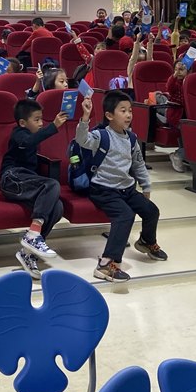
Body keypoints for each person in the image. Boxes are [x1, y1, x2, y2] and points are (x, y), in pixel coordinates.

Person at [76, 91, 166, 283]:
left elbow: (138, 164)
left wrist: (146, 186)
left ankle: (146, 241)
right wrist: (85, 117)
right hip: (103, 189)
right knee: (125, 215)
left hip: (127, 189)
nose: (128, 115)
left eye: (130, 111)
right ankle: (106, 264)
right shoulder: (101, 136)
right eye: (123, 111)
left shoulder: (131, 139)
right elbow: (81, 140)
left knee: (151, 211)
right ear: (109, 115)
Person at [0, 99, 68, 278]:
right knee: (51, 184)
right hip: (11, 179)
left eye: (41, 119)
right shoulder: (19, 134)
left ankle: (28, 253)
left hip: (26, 183)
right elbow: (29, 142)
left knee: (58, 207)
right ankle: (33, 233)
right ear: (23, 123)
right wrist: (53, 126)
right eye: (36, 120)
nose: (41, 123)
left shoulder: (29, 134)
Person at [165, 58, 189, 172]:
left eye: (182, 69)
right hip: (175, 116)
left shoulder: (190, 83)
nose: (179, 72)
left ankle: (181, 154)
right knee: (185, 131)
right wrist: (174, 75)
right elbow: (169, 86)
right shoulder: (175, 83)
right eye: (176, 70)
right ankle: (179, 155)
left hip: (188, 116)